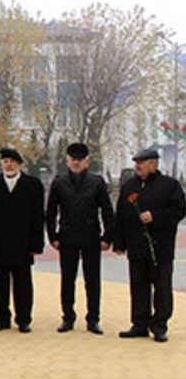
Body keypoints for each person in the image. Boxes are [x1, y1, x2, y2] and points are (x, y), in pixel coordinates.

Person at [113, 148, 186, 343]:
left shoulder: (169, 185)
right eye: (136, 161)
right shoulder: (129, 186)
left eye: (142, 162)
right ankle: (139, 324)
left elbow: (179, 210)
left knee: (161, 288)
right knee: (138, 286)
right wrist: (119, 242)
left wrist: (155, 217)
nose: (138, 165)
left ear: (154, 164)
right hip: (136, 247)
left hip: (160, 247)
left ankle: (159, 325)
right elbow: (120, 216)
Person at [45, 143, 114, 335]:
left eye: (80, 159)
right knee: (67, 280)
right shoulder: (59, 182)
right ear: (67, 161)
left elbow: (108, 211)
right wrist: (53, 237)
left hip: (91, 237)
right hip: (67, 238)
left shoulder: (97, 182)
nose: (76, 162)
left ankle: (93, 319)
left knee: (92, 281)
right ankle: (68, 317)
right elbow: (50, 212)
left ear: (87, 162)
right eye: (73, 159)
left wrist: (107, 237)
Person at [0, 148, 45, 333]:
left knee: (23, 283)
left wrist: (36, 244)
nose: (8, 165)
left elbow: (38, 216)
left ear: (19, 164)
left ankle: (23, 319)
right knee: (0, 283)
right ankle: (2, 318)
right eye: (5, 161)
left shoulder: (33, 185)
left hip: (23, 243)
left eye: (12, 161)